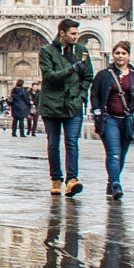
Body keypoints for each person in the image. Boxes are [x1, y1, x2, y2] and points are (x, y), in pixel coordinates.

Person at [38, 19, 92, 196]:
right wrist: (71, 70)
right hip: (51, 105)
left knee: (72, 143)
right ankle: (55, 179)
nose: (77, 37)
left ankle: (71, 181)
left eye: (77, 33)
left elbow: (88, 76)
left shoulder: (82, 51)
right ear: (62, 33)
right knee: (53, 144)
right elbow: (49, 76)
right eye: (73, 34)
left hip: (73, 104)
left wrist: (82, 95)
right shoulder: (46, 51)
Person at [91, 41, 134, 198]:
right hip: (109, 119)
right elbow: (94, 93)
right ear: (113, 55)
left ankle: (111, 183)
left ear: (129, 55)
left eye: (123, 53)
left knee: (121, 154)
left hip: (128, 121)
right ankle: (116, 184)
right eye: (117, 53)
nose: (120, 56)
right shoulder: (104, 74)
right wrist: (97, 110)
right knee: (113, 152)